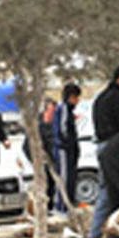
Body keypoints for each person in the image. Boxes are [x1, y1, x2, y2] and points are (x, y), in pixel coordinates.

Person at [88, 65, 119, 238]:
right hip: (114, 147)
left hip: (102, 145)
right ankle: (100, 234)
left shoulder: (101, 97)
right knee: (112, 192)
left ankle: (96, 232)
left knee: (105, 190)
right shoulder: (117, 98)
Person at [51, 83, 82, 211]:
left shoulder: (69, 111)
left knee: (71, 178)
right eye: (76, 97)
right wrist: (68, 143)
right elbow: (63, 129)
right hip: (64, 149)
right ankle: (61, 206)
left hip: (69, 149)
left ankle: (68, 204)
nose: (77, 101)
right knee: (64, 178)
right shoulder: (63, 109)